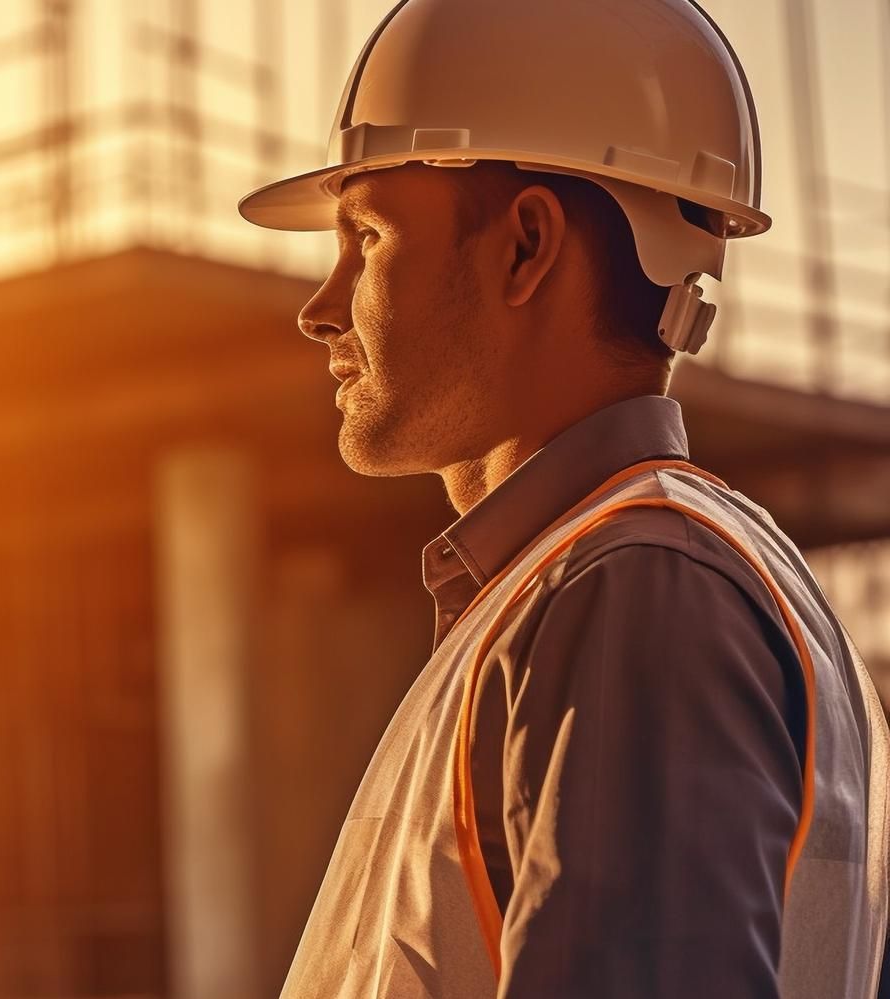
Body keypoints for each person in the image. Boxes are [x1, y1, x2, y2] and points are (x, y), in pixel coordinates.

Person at [236, 1, 890, 996]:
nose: (318, 308)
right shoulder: (599, 584)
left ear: (523, 248)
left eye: (363, 238)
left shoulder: (636, 588)